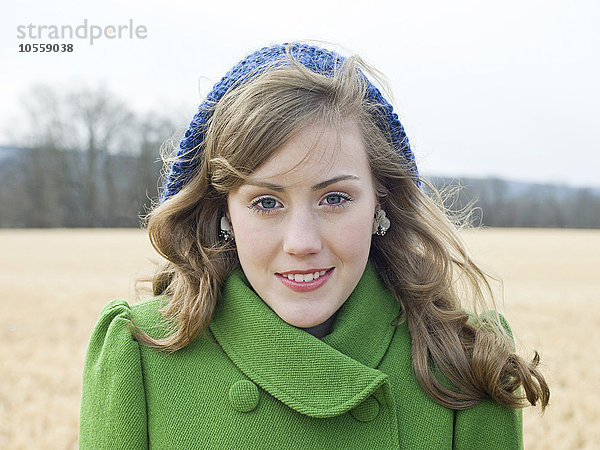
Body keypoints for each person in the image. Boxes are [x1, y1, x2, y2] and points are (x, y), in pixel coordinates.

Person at [79, 42, 549, 449]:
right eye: (266, 202)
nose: (301, 242)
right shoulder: (141, 355)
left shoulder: (466, 363)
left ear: (380, 203)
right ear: (224, 212)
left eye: (335, 198)